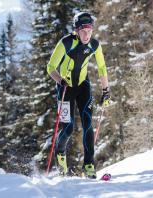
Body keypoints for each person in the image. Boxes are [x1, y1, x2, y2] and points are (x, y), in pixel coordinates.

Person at [46, 12, 111, 179]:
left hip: (83, 86)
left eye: (89, 30)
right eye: (83, 30)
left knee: (88, 124)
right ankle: (60, 152)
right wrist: (60, 80)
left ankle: (89, 165)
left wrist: (106, 90)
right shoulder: (66, 43)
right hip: (65, 87)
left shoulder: (94, 45)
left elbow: (102, 67)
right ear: (76, 30)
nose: (87, 34)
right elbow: (51, 67)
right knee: (68, 128)